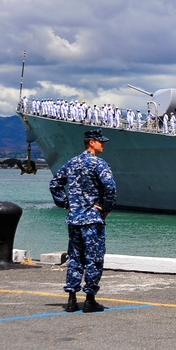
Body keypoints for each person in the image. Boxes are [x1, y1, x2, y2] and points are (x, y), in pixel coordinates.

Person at [50, 128, 117, 313]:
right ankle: (90, 299)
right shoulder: (99, 164)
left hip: (74, 220)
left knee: (75, 257)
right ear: (91, 143)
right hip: (92, 220)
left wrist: (66, 204)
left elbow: (55, 183)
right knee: (94, 259)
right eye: (100, 141)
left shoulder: (72, 163)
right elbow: (110, 187)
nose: (103, 144)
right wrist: (105, 208)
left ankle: (71, 298)